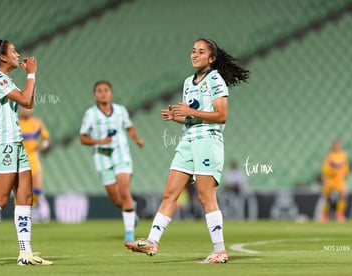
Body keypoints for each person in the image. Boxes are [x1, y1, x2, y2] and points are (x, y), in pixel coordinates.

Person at [125, 38, 249, 264]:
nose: (195, 54)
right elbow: (192, 118)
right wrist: (177, 117)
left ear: (211, 58)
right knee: (169, 192)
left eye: (201, 52)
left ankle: (220, 250)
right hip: (188, 140)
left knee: (205, 196)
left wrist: (190, 111)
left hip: (208, 141)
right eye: (193, 50)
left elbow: (221, 116)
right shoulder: (187, 82)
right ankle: (152, 241)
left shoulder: (215, 79)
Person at [0, 39, 52, 266]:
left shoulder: (5, 78)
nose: (18, 54)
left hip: (16, 143)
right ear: (3, 57)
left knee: (25, 197)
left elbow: (27, 103)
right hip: (2, 144)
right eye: (13, 51)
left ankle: (25, 253)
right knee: (0, 198)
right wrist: (32, 75)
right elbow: (26, 99)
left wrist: (30, 78)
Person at [80, 80, 144, 243]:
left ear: (111, 93)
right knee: (117, 200)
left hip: (121, 154)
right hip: (102, 157)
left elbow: (129, 127)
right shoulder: (90, 114)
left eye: (106, 90)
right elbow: (83, 138)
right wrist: (100, 142)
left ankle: (129, 233)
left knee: (124, 191)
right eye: (99, 90)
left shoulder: (121, 111)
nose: (103, 93)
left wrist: (137, 139)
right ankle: (131, 210)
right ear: (95, 94)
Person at [19, 106, 51, 223]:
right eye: (23, 108)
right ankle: (22, 214)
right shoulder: (16, 123)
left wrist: (45, 145)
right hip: (20, 160)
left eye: (28, 108)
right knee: (22, 191)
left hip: (33, 159)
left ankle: (31, 211)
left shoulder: (37, 123)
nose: (25, 110)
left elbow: (46, 138)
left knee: (37, 189)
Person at [321, 139, 349, 222]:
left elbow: (345, 165)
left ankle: (339, 214)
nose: (337, 147)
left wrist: (346, 173)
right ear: (333, 146)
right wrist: (325, 177)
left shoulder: (343, 155)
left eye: (339, 145)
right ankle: (324, 215)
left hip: (339, 179)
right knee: (328, 198)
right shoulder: (330, 156)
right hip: (330, 178)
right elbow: (325, 167)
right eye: (336, 145)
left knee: (343, 194)